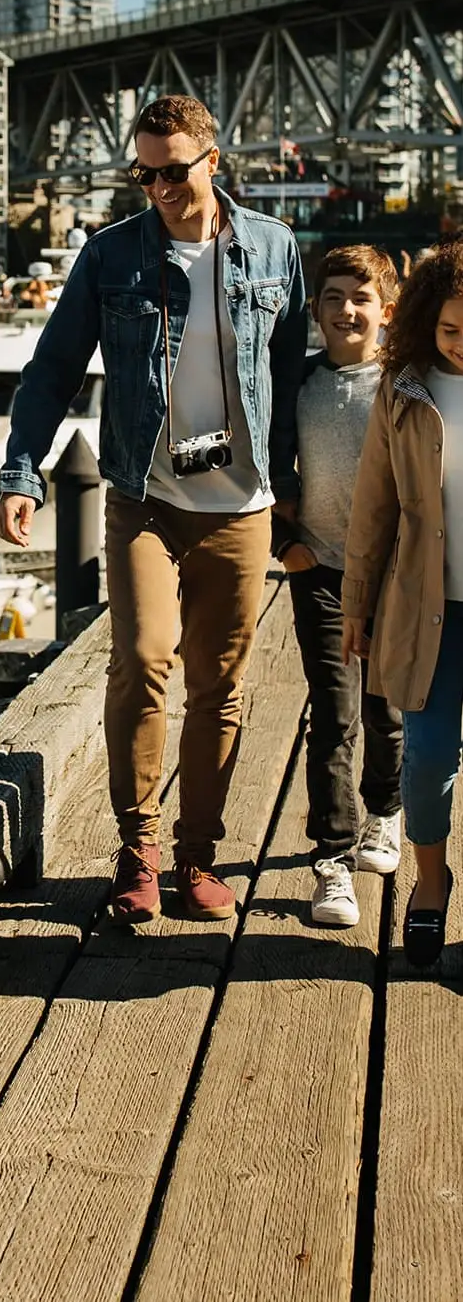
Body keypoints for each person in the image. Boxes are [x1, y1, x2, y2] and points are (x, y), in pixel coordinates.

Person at [0, 94, 307, 924]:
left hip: (240, 503)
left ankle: (197, 857)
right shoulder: (109, 256)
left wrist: (306, 492)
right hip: (146, 497)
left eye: (174, 170)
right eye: (145, 172)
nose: (160, 186)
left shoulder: (273, 249)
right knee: (140, 659)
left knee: (220, 686)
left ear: (213, 160)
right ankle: (137, 851)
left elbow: (293, 374)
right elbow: (52, 368)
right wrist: (21, 472)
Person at [272, 247, 403, 928]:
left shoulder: (403, 383)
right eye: (330, 297)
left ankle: (384, 810)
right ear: (314, 310)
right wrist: (283, 545)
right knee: (333, 711)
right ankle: (332, 857)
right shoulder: (296, 383)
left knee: (386, 708)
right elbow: (266, 466)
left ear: (386, 309)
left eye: (359, 297)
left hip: (393, 574)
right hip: (318, 568)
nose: (345, 310)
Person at [343, 242, 463, 966]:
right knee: (423, 758)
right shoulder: (403, 389)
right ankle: (429, 881)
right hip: (428, 610)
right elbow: (372, 507)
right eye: (450, 331)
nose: (462, 344)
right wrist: (355, 604)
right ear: (425, 324)